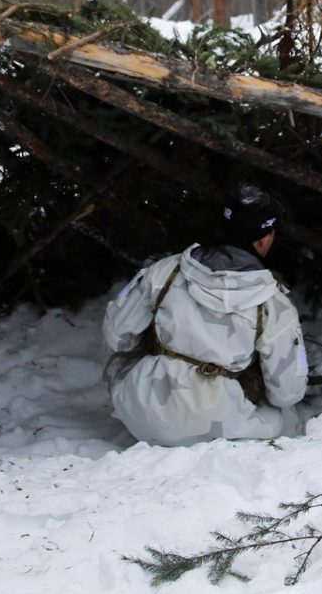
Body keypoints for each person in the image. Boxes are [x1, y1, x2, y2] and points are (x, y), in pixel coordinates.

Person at [103, 183, 309, 447]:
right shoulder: (275, 304)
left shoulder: (166, 271)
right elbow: (287, 393)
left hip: (141, 417)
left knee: (122, 360)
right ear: (263, 239)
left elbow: (116, 336)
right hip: (219, 429)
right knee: (284, 414)